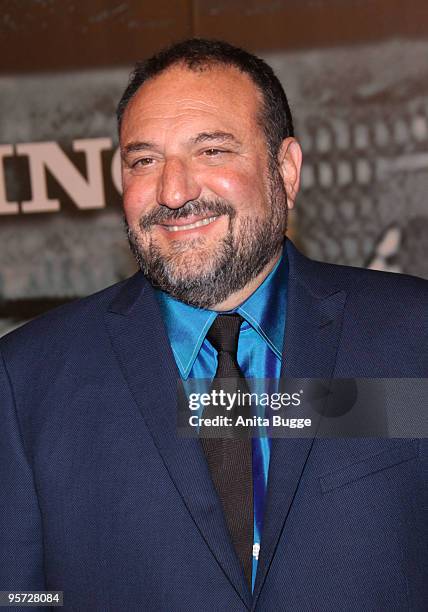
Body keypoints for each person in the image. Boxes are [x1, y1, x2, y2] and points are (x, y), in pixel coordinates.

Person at [0, 39, 427, 611]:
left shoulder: (411, 336)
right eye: (143, 160)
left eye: (212, 151)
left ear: (286, 169)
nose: (174, 191)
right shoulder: (29, 379)